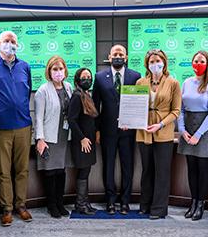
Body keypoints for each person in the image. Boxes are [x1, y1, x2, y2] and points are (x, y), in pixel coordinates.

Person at [0, 31, 33, 226]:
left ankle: (21, 205)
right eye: (6, 41)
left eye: (13, 41)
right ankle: (7, 209)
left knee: (22, 169)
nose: (10, 44)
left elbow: (26, 94)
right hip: (0, 127)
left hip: (23, 125)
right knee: (4, 170)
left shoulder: (24, 66)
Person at [92, 44, 141, 215]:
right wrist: (96, 130)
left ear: (126, 57)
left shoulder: (136, 76)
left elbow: (139, 104)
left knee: (128, 166)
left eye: (121, 54)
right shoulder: (99, 77)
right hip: (107, 131)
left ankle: (125, 202)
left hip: (129, 131)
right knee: (109, 166)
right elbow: (95, 106)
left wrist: (136, 123)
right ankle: (110, 201)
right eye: (115, 54)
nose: (118, 56)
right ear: (109, 57)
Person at [136, 49, 181, 220]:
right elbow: (134, 106)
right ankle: (144, 205)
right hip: (144, 132)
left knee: (162, 171)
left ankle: (159, 209)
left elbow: (176, 111)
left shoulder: (173, 83)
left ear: (164, 62)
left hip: (164, 133)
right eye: (151, 61)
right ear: (147, 64)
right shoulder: (140, 82)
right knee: (147, 170)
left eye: (158, 61)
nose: (155, 64)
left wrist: (160, 124)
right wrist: (128, 121)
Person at [177, 50, 208, 221]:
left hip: (205, 129)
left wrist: (199, 134)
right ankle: (193, 202)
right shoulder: (187, 82)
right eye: (195, 61)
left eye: (202, 61)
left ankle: (201, 204)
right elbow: (180, 109)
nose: (198, 64)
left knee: (203, 170)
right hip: (188, 127)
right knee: (192, 169)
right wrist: (182, 130)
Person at [34, 55, 73, 218]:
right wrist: (40, 139)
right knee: (50, 171)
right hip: (49, 137)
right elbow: (38, 117)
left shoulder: (69, 87)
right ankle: (51, 205)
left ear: (65, 70)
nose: (58, 72)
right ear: (49, 72)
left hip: (64, 135)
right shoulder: (43, 90)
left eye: (60, 68)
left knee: (61, 170)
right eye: (55, 69)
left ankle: (60, 203)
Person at [68, 68, 98, 215]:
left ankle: (85, 202)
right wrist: (82, 138)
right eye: (84, 77)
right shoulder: (76, 96)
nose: (87, 79)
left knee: (86, 172)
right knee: (83, 172)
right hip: (82, 142)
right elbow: (72, 120)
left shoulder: (86, 95)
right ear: (78, 79)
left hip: (89, 141)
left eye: (89, 77)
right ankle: (80, 205)